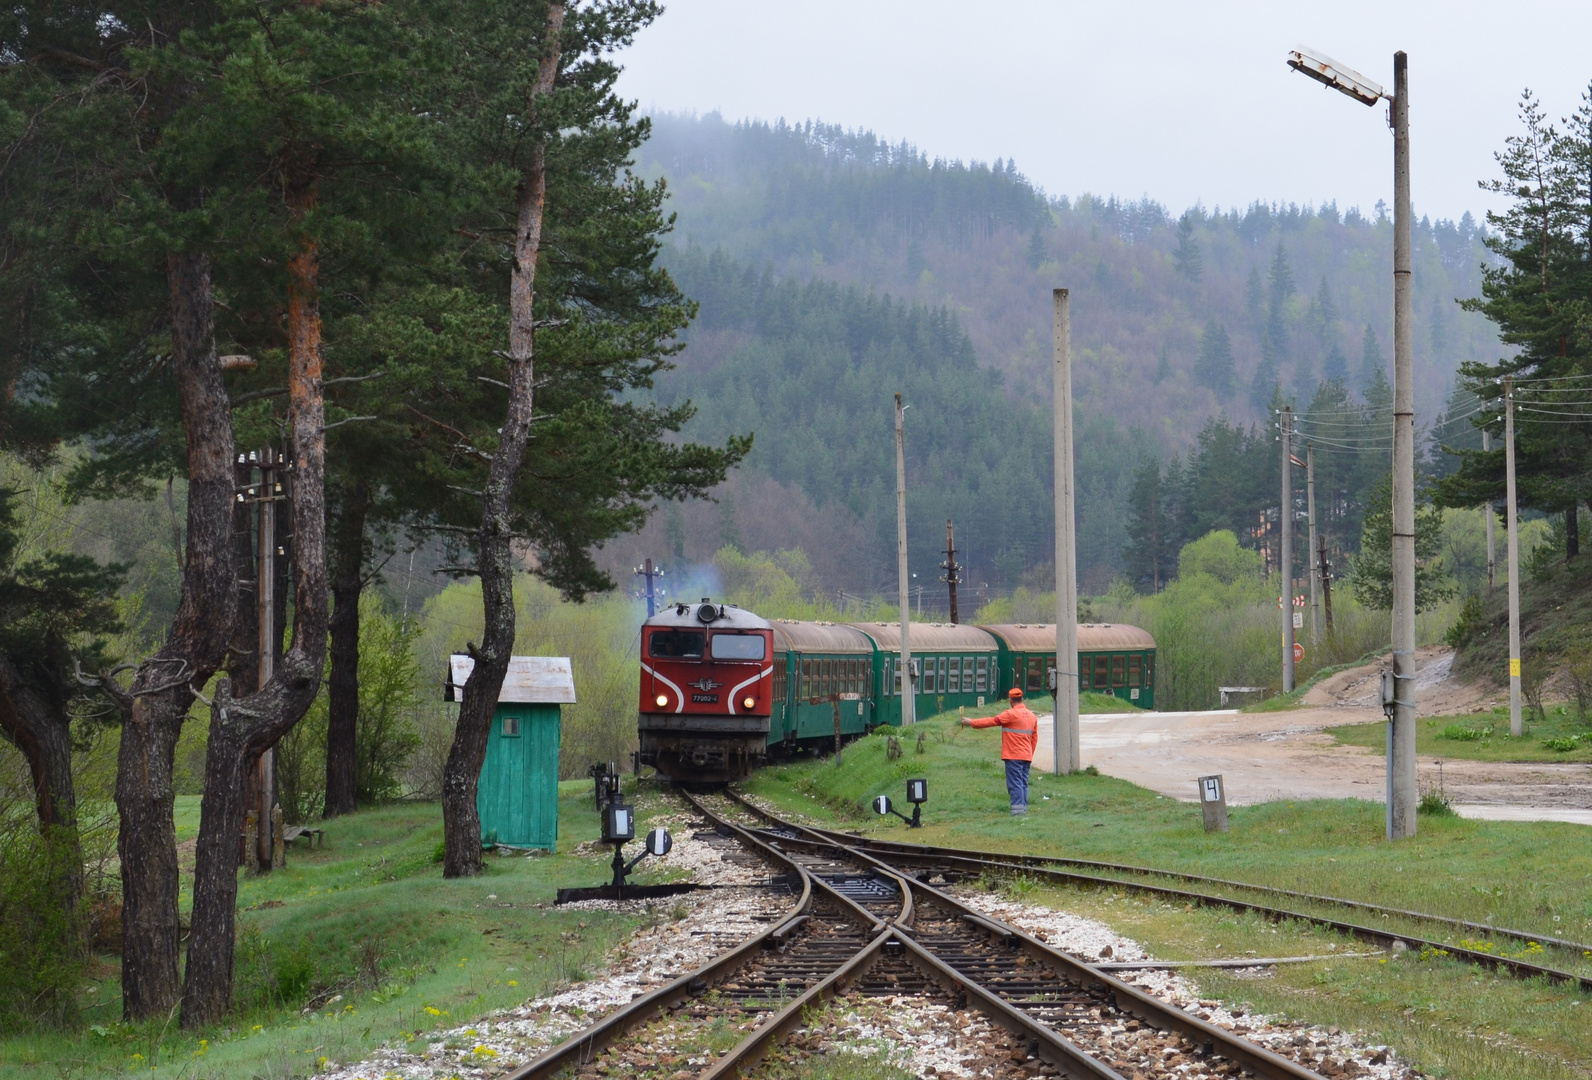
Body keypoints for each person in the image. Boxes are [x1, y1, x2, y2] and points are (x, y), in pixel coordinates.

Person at [961, 687, 1038, 815]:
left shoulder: (1010, 714)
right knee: (1023, 784)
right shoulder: (1032, 716)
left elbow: (991, 721)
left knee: (1015, 785)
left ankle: (1018, 814)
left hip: (1013, 755)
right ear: (1022, 699)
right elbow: (1034, 739)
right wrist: (1029, 754)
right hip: (1026, 756)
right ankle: (1023, 811)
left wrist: (971, 722)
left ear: (1010, 700)